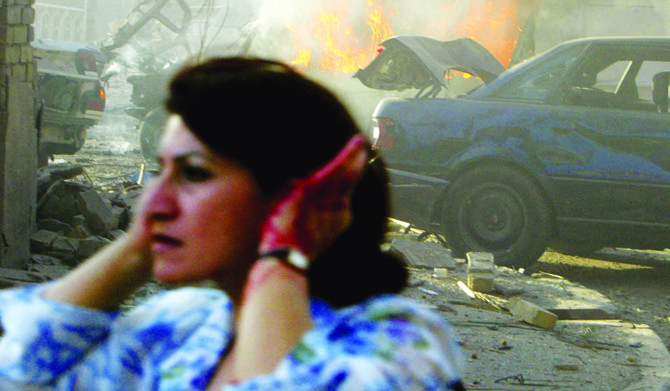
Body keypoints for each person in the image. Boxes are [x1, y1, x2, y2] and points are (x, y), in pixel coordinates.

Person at [0, 57, 464, 390]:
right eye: (163, 171)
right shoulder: (181, 325)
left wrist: (282, 259)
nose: (154, 201)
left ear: (296, 196)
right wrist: (136, 249)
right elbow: (17, 370)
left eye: (195, 174)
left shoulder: (398, 343)